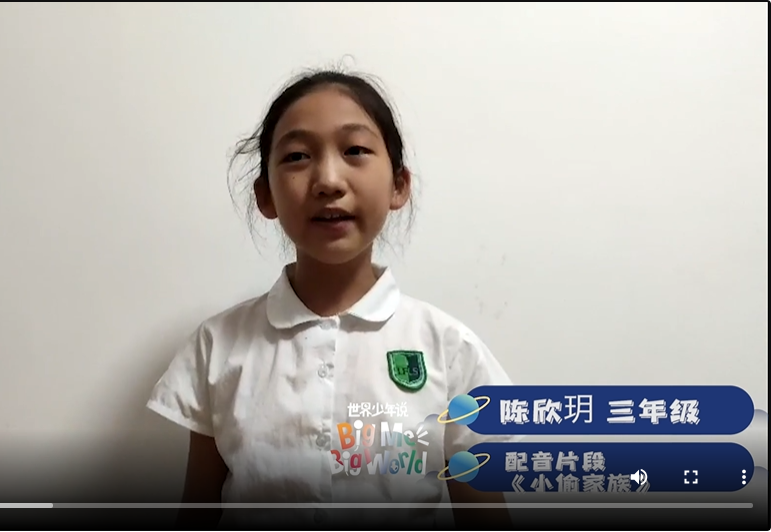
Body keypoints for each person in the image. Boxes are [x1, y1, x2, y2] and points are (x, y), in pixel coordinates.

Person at [146, 68, 517, 529]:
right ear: (266, 195)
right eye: (297, 156)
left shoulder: (449, 349)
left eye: (355, 150)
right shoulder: (218, 346)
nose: (327, 180)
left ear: (398, 185)